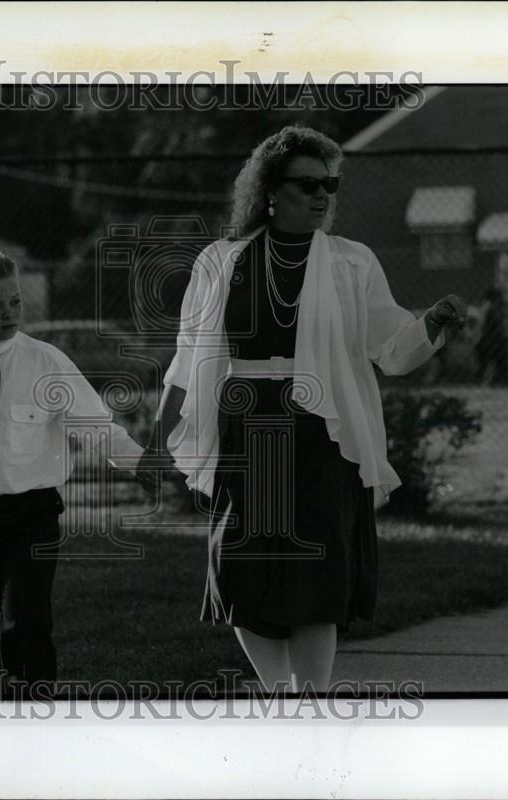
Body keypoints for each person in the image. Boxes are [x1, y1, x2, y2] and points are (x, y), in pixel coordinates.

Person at [136, 126, 466, 694]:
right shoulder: (219, 262)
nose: (322, 195)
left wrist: (430, 324)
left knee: (318, 575)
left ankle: (310, 699)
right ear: (269, 189)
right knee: (239, 570)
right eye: (308, 184)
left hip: (322, 435)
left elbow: (391, 349)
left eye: (329, 184)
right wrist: (157, 443)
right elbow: (186, 360)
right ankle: (278, 692)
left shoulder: (352, 262)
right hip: (244, 429)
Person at [0, 250, 151, 693]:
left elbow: (93, 427)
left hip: (31, 516)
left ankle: (38, 713)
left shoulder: (46, 362)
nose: (9, 313)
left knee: (29, 624)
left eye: (15, 301)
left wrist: (141, 463)